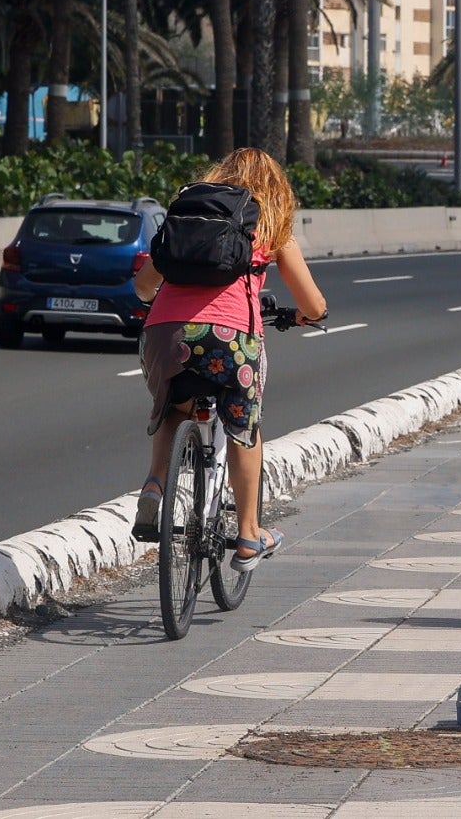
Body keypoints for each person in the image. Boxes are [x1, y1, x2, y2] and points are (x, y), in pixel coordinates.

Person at [132, 148, 327, 571]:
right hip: (230, 340)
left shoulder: (187, 217)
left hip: (164, 334)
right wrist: (311, 315)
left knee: (171, 409)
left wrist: (158, 297)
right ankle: (249, 536)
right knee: (244, 429)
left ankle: (154, 486)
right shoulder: (271, 227)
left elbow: (144, 286)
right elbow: (312, 302)